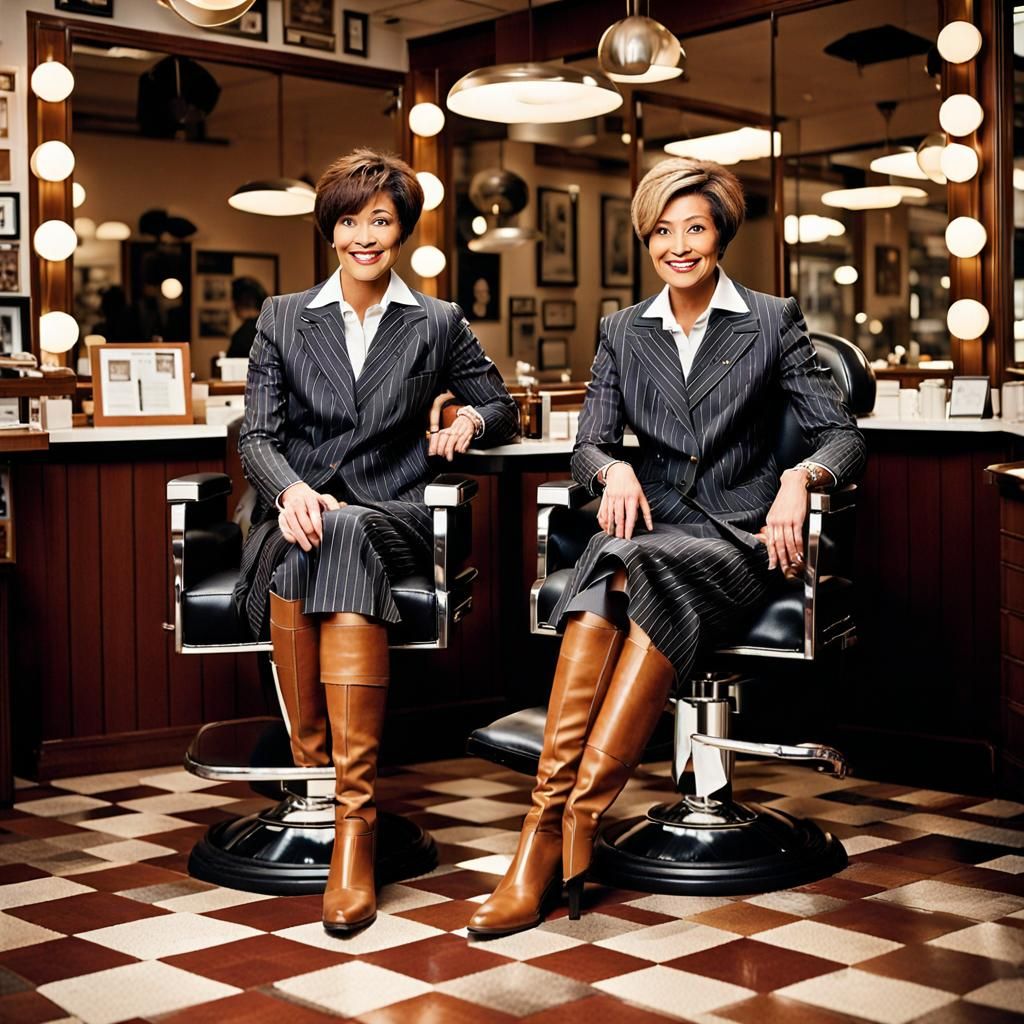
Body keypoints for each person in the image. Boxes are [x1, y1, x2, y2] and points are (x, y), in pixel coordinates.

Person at [469, 156, 866, 937]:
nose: (678, 246)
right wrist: (612, 467)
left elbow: (842, 435)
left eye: (695, 229)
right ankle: (558, 824)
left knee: (623, 561)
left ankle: (556, 828)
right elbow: (587, 446)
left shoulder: (771, 320)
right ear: (646, 239)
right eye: (662, 231)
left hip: (739, 538)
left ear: (721, 235)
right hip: (652, 536)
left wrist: (801, 477)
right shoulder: (623, 330)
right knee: (625, 557)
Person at [235, 148, 518, 935]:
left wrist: (468, 418)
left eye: (382, 220)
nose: (365, 235)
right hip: (296, 520)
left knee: (345, 526)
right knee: (325, 530)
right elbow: (258, 437)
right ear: (329, 230)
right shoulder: (283, 316)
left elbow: (502, 406)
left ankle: (332, 794)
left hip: (394, 518)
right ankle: (352, 818)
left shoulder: (436, 321)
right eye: (351, 220)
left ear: (402, 231)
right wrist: (290, 490)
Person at [226, 276, 267, 358]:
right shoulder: (274, 328)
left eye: (234, 300)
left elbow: (231, 363)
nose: (232, 306)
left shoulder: (242, 336)